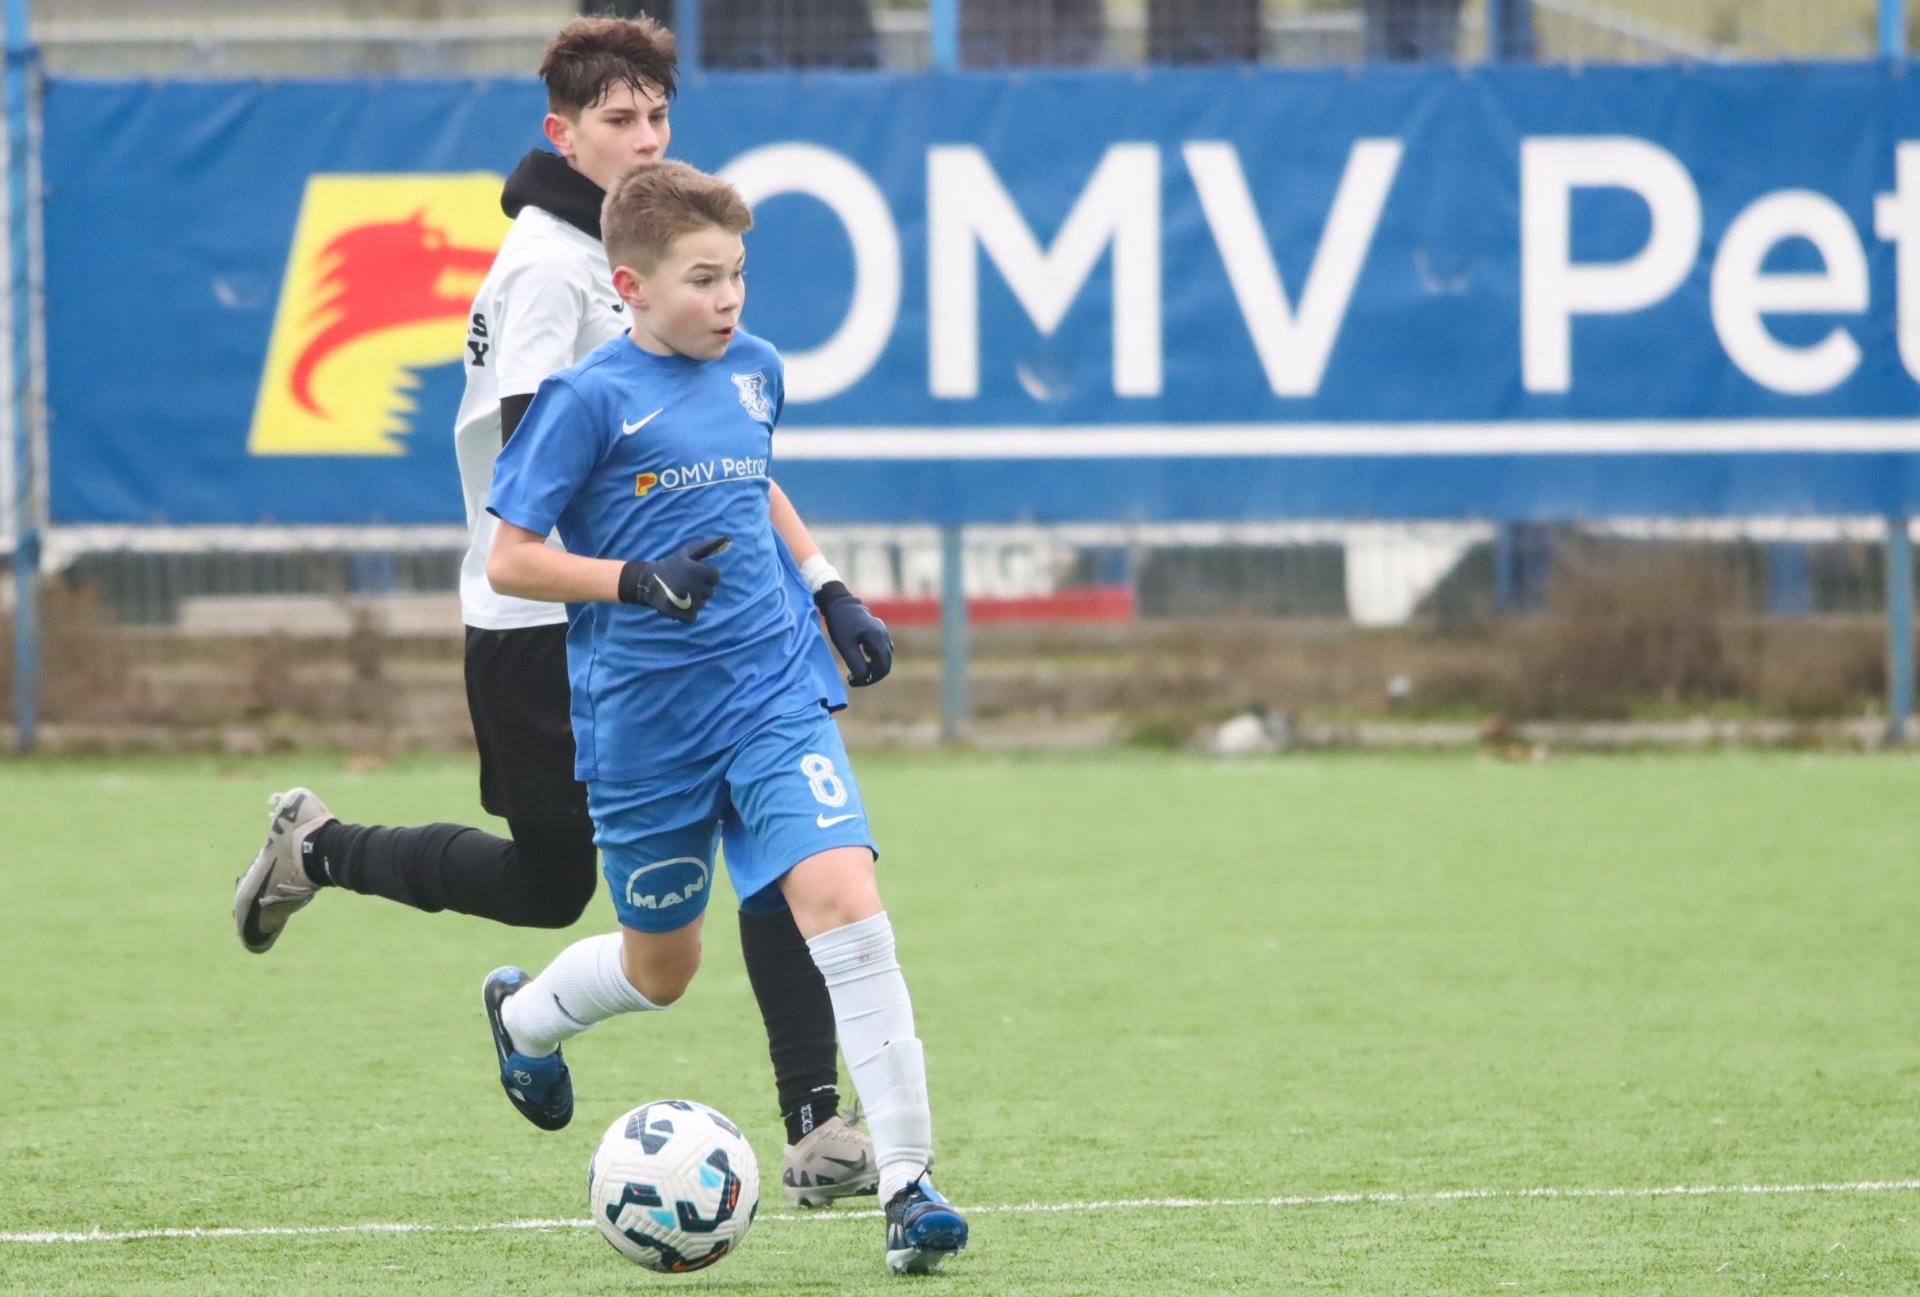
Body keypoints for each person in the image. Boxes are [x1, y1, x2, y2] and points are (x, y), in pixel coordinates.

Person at [230, 16, 894, 1209]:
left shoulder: (652, 250)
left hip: (678, 627)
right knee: (550, 887)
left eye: (658, 115)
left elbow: (714, 457)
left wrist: (820, 581)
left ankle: (815, 1124)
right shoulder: (549, 266)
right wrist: (639, 580)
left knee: (773, 835)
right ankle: (319, 850)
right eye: (618, 120)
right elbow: (543, 490)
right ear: (563, 132)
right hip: (548, 624)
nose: (645, 139)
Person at [479, 158, 965, 1275]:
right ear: (632, 286)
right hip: (647, 728)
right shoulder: (584, 401)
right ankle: (525, 1019)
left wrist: (828, 587)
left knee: (846, 901)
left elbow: (752, 479)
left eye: (738, 273)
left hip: (772, 694)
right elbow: (510, 557)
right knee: (663, 968)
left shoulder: (757, 368)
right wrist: (634, 581)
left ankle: (908, 1182)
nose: (729, 298)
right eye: (703, 279)